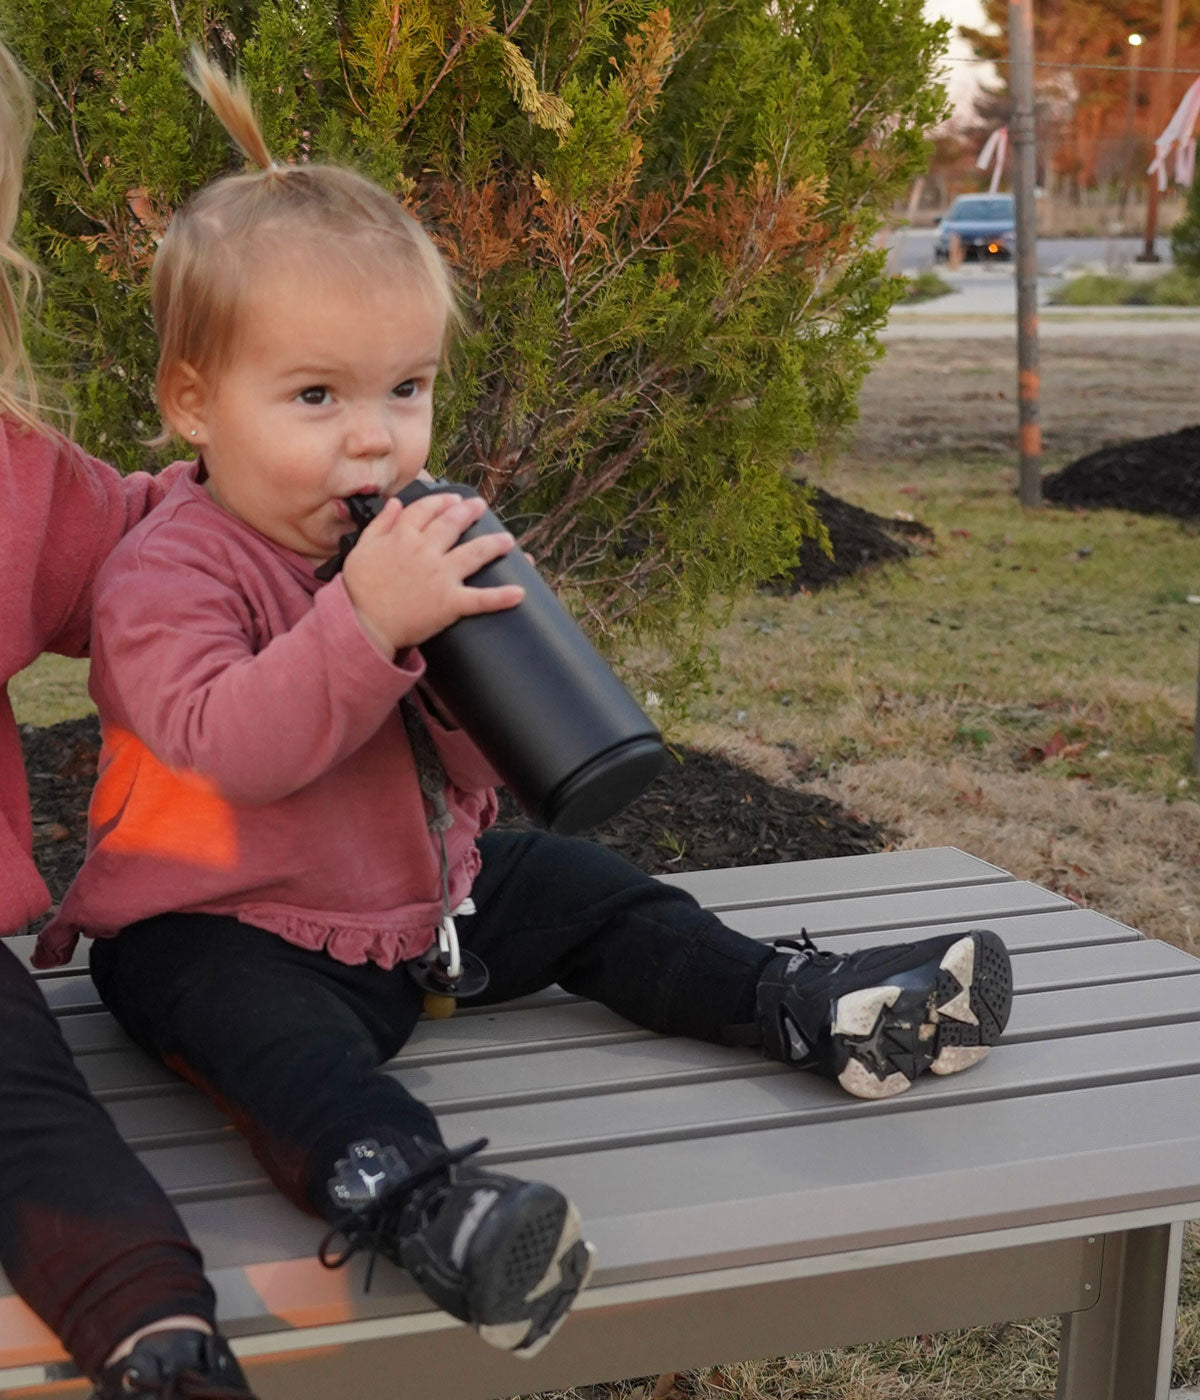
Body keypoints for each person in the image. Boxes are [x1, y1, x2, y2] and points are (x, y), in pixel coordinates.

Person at [35, 53, 1014, 1362]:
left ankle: (804, 1003)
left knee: (590, 889)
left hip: (410, 911)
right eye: (316, 396)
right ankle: (427, 1207)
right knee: (277, 1055)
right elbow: (229, 747)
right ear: (192, 401)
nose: (376, 438)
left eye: (405, 389)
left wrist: (485, 672)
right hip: (217, 928)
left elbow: (448, 766)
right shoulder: (170, 567)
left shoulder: (393, 543)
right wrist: (371, 623)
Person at [0, 38, 258, 1400]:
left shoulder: (15, 472)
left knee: (24, 1103)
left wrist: (285, 470)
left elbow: (139, 546)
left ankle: (158, 1340)